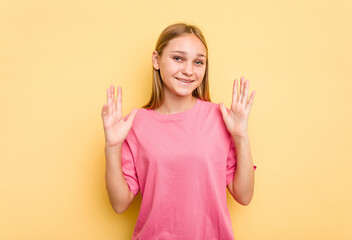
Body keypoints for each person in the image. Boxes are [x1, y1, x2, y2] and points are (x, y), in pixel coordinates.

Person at [101, 23, 257, 240]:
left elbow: (244, 195)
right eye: (178, 58)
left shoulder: (221, 119)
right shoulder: (135, 124)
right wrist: (112, 146)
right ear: (156, 60)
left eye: (198, 62)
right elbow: (119, 204)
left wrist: (241, 137)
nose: (188, 70)